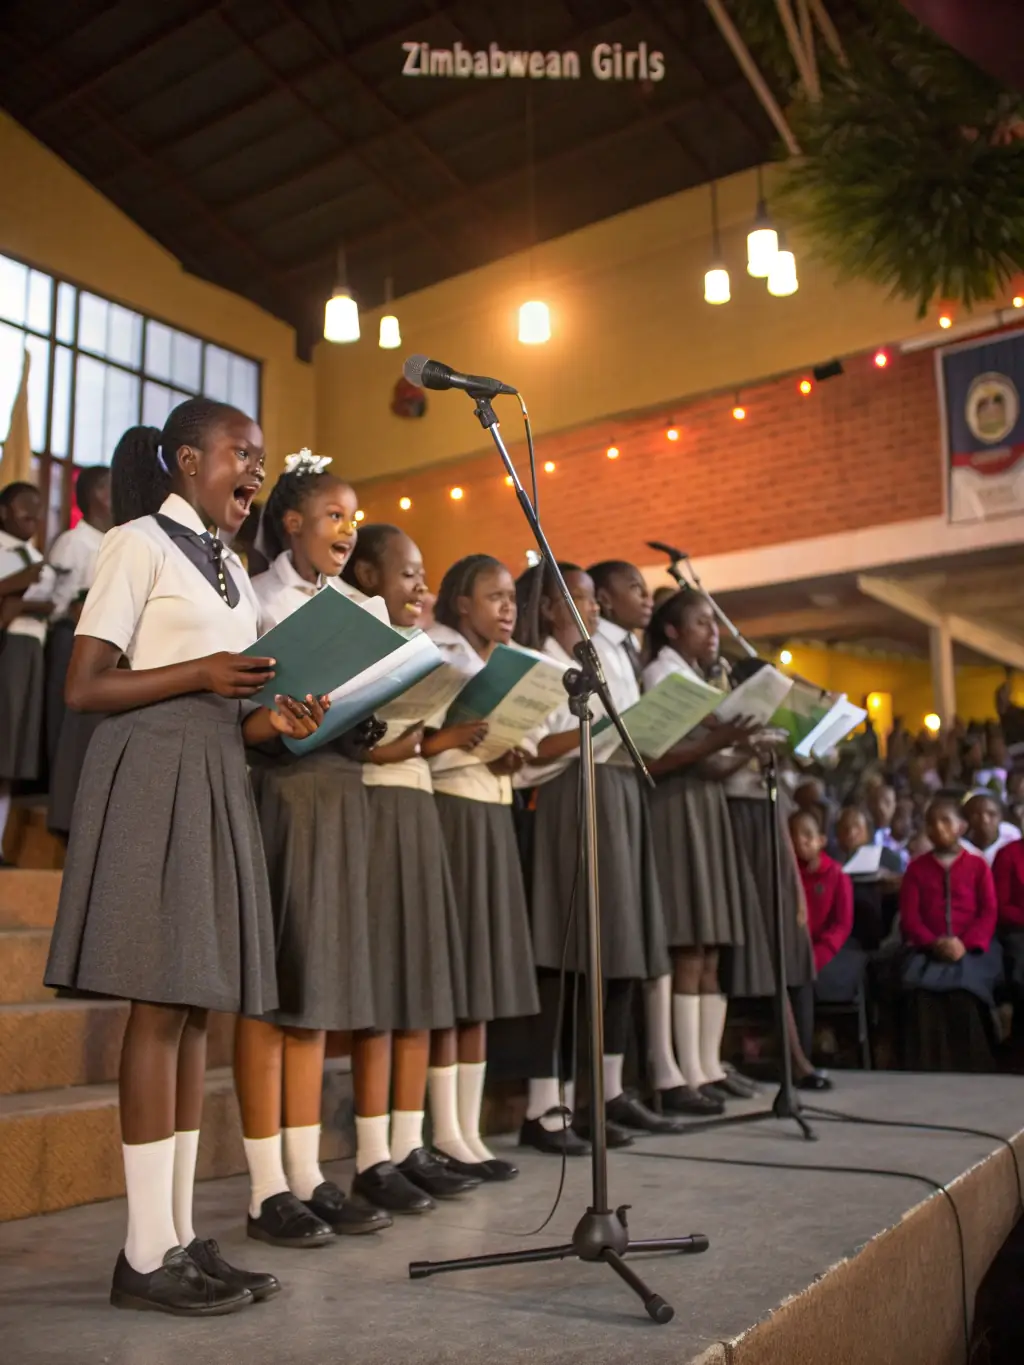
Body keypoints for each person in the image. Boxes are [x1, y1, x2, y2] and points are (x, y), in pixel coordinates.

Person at [43, 399, 329, 1316]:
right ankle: (140, 1252)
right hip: (148, 773)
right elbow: (86, 685)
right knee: (157, 1010)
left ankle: (172, 1239)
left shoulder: (233, 570)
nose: (256, 469)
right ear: (187, 459)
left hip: (213, 771)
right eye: (241, 454)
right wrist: (203, 676)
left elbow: (229, 705)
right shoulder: (137, 543)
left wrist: (272, 719)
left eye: (262, 456)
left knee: (194, 1014)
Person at [235, 456, 393, 1249]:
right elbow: (243, 710)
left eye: (354, 517)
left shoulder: (358, 606)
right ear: (292, 522)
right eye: (335, 515)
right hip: (279, 796)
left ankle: (307, 1173)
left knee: (317, 992)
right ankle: (265, 1186)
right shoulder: (257, 597)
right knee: (273, 994)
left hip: (339, 795)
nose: (349, 528)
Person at [341, 526, 488, 1206]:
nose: (421, 589)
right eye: (408, 574)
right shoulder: (355, 639)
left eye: (424, 575)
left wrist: (433, 739)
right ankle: (373, 1154)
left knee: (420, 985)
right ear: (368, 574)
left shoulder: (417, 648)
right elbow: (360, 748)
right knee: (384, 990)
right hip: (375, 811)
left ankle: (409, 1142)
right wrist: (430, 739)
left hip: (419, 806)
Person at [515, 563, 683, 1157]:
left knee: (617, 948)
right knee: (565, 958)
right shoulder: (534, 662)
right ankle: (545, 1105)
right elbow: (531, 751)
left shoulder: (601, 659)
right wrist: (605, 728)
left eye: (590, 600)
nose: (590, 610)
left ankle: (605, 1094)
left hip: (616, 797)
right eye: (577, 600)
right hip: (566, 801)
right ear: (547, 609)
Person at [426, 556, 540, 1173]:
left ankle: (468, 1130)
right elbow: (425, 743)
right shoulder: (442, 653)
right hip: (454, 813)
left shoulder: (501, 662)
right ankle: (445, 1130)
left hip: (493, 810)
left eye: (512, 599)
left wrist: (507, 754)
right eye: (493, 597)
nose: (506, 608)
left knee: (483, 983)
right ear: (460, 603)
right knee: (457, 979)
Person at [641, 589, 760, 1110]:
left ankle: (709, 1065)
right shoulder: (661, 675)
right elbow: (663, 754)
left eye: (714, 624)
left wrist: (748, 746)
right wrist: (722, 739)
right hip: (676, 808)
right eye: (701, 624)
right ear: (672, 630)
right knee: (688, 942)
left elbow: (711, 763)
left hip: (705, 804)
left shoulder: (697, 678)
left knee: (711, 946)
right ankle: (684, 1070)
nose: (713, 633)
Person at [898, 797, 1001, 1071]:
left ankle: (974, 1066)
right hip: (927, 948)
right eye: (931, 823)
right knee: (922, 993)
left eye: (945, 821)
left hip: (972, 948)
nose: (937, 828)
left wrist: (963, 944)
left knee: (964, 993)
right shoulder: (916, 869)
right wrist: (934, 943)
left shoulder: (978, 866)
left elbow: (988, 912)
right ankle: (927, 1066)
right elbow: (911, 918)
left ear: (962, 827)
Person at [46, 467, 113, 838]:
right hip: (70, 640)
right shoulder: (73, 542)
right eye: (111, 488)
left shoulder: (115, 540)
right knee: (67, 727)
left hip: (102, 644)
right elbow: (59, 603)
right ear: (96, 495)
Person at [0, 481, 54, 861]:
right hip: (8, 649)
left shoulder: (36, 556)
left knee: (10, 755)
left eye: (38, 512)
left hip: (32, 652)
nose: (33, 518)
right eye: (24, 510)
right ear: (4, 511)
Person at [790, 809, 866, 1017]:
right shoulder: (785, 877)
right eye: (793, 836)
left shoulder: (836, 875)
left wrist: (816, 956)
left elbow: (842, 925)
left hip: (826, 952)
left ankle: (803, 1047)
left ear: (822, 840)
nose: (799, 841)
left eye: (807, 835)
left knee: (803, 981)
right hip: (792, 953)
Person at [834, 805, 902, 948]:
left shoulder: (888, 858)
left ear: (868, 831)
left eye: (857, 827)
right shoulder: (832, 864)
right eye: (845, 828)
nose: (851, 833)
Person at [962, 791, 1021, 867]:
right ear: (966, 818)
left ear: (1001, 817)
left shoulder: (1011, 836)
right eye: (976, 814)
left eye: (992, 814)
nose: (985, 820)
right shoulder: (961, 845)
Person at [869, 783, 910, 870]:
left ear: (895, 805)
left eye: (887, 803)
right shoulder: (862, 834)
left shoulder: (905, 837)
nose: (880, 807)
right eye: (875, 802)